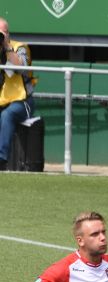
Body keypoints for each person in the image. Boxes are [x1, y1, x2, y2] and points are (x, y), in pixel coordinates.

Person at [0, 18, 36, 171]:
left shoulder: (20, 47)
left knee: (7, 115)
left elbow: (21, 67)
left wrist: (6, 46)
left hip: (23, 102)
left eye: (2, 33)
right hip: (2, 100)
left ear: (8, 33)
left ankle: (1, 160)